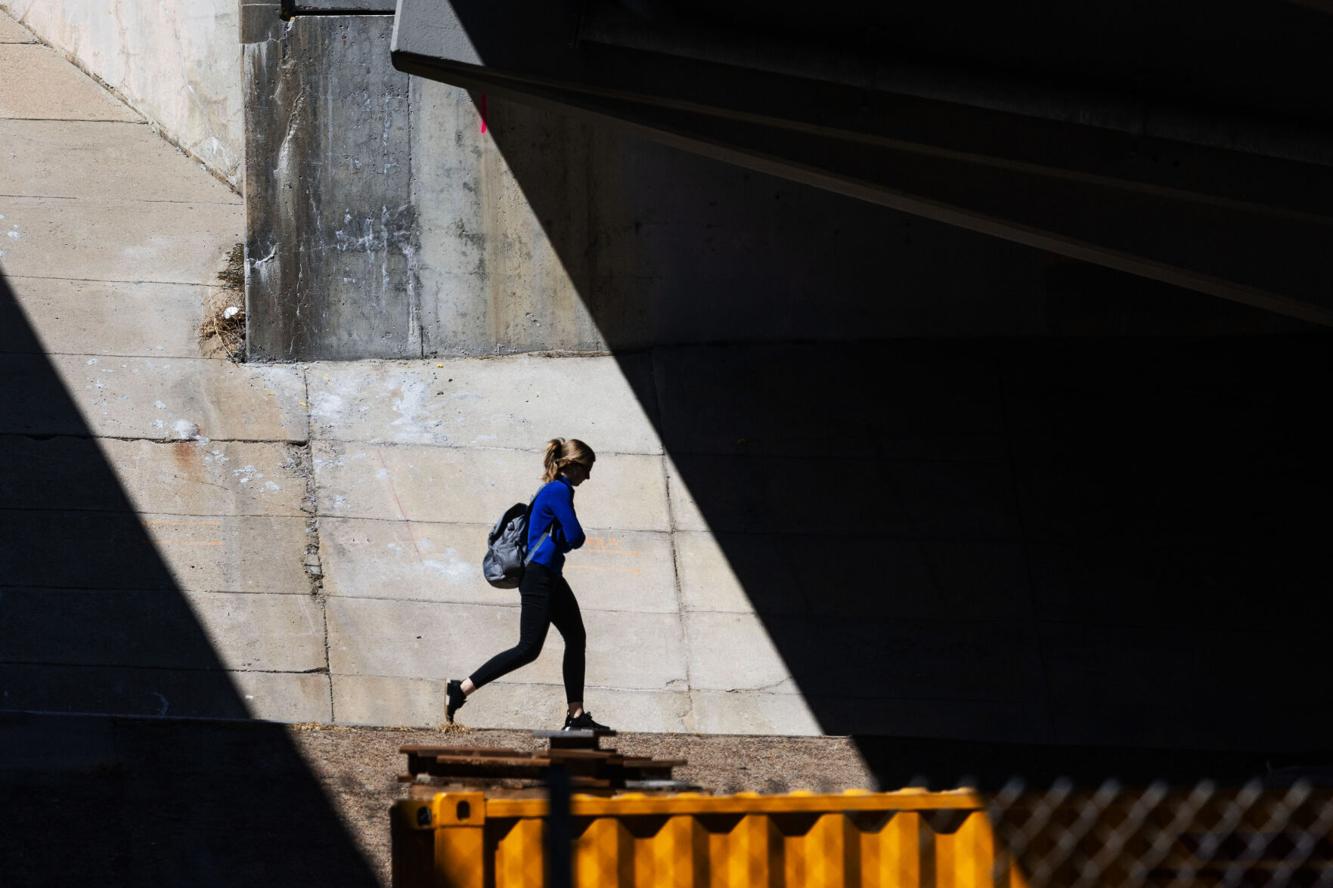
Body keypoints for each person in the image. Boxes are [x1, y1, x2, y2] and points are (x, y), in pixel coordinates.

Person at [445, 438, 610, 731]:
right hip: (540, 576)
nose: (589, 475)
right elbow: (575, 537)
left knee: (576, 636)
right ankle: (461, 689)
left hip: (550, 575)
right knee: (528, 648)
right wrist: (564, 536)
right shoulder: (559, 490)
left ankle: (576, 716)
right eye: (587, 468)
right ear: (571, 465)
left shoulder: (551, 490)